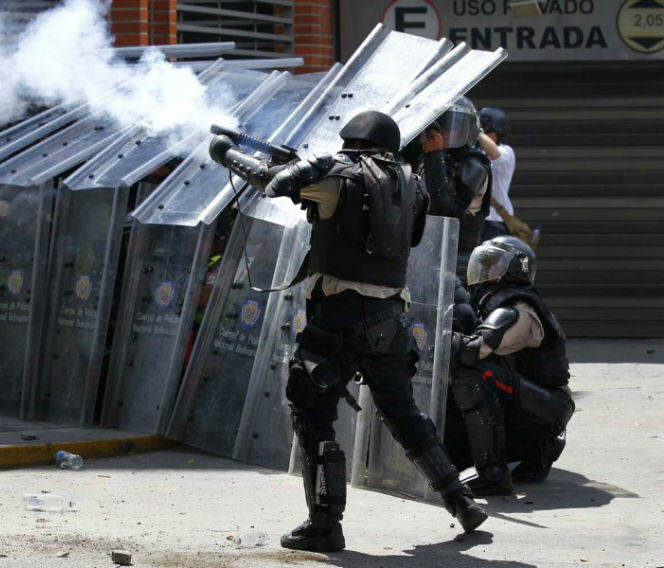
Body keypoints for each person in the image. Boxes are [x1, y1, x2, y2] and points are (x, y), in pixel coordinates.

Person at [208, 110, 487, 553]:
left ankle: (325, 523)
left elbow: (271, 183)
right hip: (391, 318)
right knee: (404, 413)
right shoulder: (409, 181)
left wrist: (225, 153)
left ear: (351, 138)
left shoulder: (337, 173)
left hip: (338, 316)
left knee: (312, 409)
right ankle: (461, 501)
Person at [447, 236, 574, 496]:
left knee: (474, 377)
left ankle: (492, 474)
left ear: (516, 270)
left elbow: (475, 349)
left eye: (493, 265)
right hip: (530, 402)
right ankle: (536, 450)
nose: (484, 272)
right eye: (483, 264)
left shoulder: (518, 308)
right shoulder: (492, 304)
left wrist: (436, 338)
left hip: (549, 406)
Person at [422, 97, 492, 278]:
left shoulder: (474, 165)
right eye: (442, 126)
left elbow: (445, 210)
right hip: (425, 251)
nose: (445, 133)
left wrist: (435, 155)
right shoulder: (431, 158)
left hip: (457, 259)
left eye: (453, 126)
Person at [477, 107, 516, 242]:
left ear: (497, 130)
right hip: (475, 221)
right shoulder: (474, 151)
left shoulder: (506, 152)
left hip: (494, 222)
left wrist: (476, 130)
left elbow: (494, 154)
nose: (483, 131)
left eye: (485, 127)